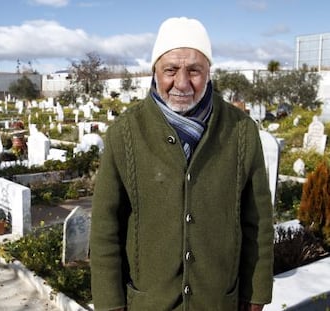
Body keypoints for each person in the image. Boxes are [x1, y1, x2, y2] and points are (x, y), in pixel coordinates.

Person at [90, 17, 274, 311]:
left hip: (218, 302)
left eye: (194, 70)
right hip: (149, 303)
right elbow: (104, 227)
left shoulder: (240, 131)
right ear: (155, 71)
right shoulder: (125, 133)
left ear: (209, 72)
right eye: (171, 70)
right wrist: (110, 303)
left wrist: (256, 294)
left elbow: (258, 221)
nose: (182, 83)